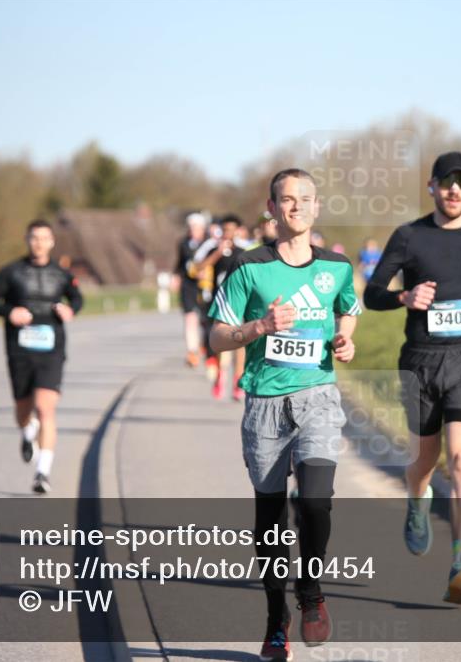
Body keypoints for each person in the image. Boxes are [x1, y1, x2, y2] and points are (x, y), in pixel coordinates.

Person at [208, 169, 360, 660]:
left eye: (305, 199)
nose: (296, 207)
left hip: (317, 396)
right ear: (271, 208)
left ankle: (311, 593)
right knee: (271, 519)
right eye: (286, 200)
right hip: (265, 406)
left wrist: (345, 336)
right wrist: (259, 325)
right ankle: (277, 618)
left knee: (316, 502)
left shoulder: (337, 268)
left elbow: (348, 308)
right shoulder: (247, 268)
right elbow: (216, 337)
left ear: (317, 207)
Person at [363, 151, 461, 605]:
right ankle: (417, 500)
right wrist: (404, 297)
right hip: (421, 361)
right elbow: (372, 293)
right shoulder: (409, 236)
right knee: (423, 465)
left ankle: (460, 566)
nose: (453, 189)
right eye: (444, 181)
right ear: (431, 187)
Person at [0, 219, 84, 494]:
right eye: (34, 238)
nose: (39, 243)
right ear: (27, 240)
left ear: (52, 242)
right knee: (23, 410)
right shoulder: (11, 272)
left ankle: (43, 472)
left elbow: (77, 298)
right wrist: (10, 312)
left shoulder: (61, 274)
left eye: (44, 238)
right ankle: (28, 433)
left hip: (52, 348)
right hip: (20, 349)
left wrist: (70, 310)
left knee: (45, 407)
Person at [194, 214, 247, 400]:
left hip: (240, 303)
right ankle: (219, 375)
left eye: (232, 230)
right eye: (225, 230)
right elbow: (199, 267)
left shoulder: (244, 251)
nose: (228, 233)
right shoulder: (214, 249)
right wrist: (217, 253)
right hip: (219, 302)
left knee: (240, 341)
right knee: (220, 342)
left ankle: (238, 379)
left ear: (238, 231)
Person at [172, 212, 209, 367]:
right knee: (189, 318)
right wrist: (175, 277)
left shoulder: (209, 244)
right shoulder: (183, 243)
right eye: (191, 227)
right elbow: (180, 263)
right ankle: (192, 351)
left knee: (204, 320)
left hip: (204, 286)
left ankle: (204, 346)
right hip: (188, 284)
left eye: (196, 227)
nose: (193, 230)